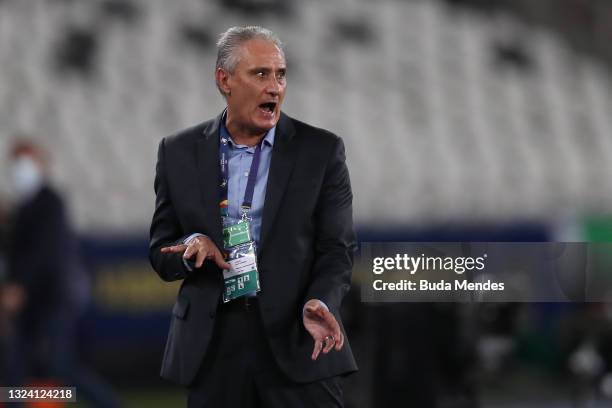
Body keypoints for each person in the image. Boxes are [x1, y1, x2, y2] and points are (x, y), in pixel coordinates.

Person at [149, 26, 357, 407]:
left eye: (280, 75)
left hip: (298, 340)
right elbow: (160, 250)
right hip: (214, 349)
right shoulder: (177, 152)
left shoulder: (321, 151)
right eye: (260, 74)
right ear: (224, 80)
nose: (274, 86)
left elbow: (337, 249)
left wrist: (321, 302)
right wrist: (189, 246)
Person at [4, 140, 122, 408]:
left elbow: (43, 253)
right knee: (16, 370)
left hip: (51, 300)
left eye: (25, 163)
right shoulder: (20, 209)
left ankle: (109, 404)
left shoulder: (49, 202)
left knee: (60, 367)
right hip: (30, 305)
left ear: (40, 165)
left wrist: (19, 286)